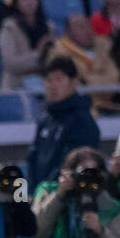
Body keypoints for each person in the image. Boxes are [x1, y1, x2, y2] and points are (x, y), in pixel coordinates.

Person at [28, 56, 102, 185]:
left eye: (59, 79)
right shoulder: (44, 120)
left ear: (74, 83)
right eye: (48, 80)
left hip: (65, 195)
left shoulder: (82, 120)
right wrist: (31, 193)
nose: (52, 85)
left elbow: (72, 164)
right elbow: (32, 159)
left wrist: (49, 190)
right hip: (39, 197)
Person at [51, 13, 120, 114]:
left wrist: (86, 80)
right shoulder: (58, 52)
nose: (87, 30)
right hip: (76, 109)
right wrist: (98, 79)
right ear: (68, 32)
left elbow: (114, 77)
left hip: (109, 105)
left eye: (88, 25)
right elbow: (71, 85)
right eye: (80, 27)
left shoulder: (105, 45)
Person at [0, 0, 55, 88]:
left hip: (45, 84)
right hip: (17, 86)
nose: (29, 2)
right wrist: (38, 54)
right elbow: (10, 64)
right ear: (16, 2)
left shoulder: (49, 27)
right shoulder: (8, 28)